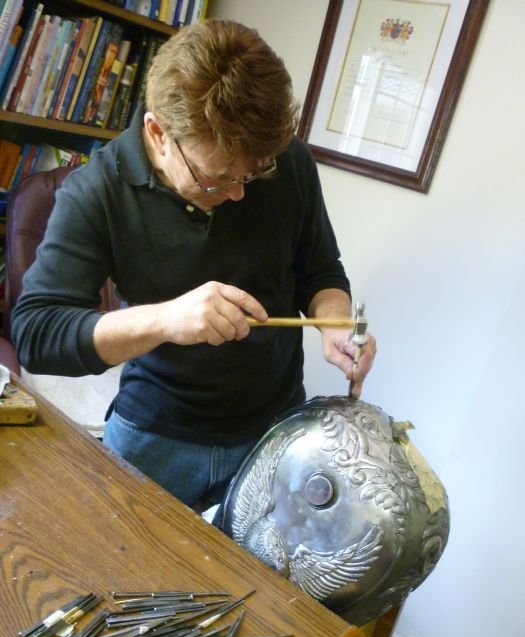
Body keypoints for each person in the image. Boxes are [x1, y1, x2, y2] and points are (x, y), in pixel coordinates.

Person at [11, 19, 377, 510]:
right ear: (158, 133)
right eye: (217, 178)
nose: (239, 192)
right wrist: (167, 320)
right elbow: (36, 334)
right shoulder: (96, 192)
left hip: (273, 431)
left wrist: (335, 323)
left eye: (253, 172)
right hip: (156, 434)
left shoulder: (285, 161)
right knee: (127, 557)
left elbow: (321, 270)